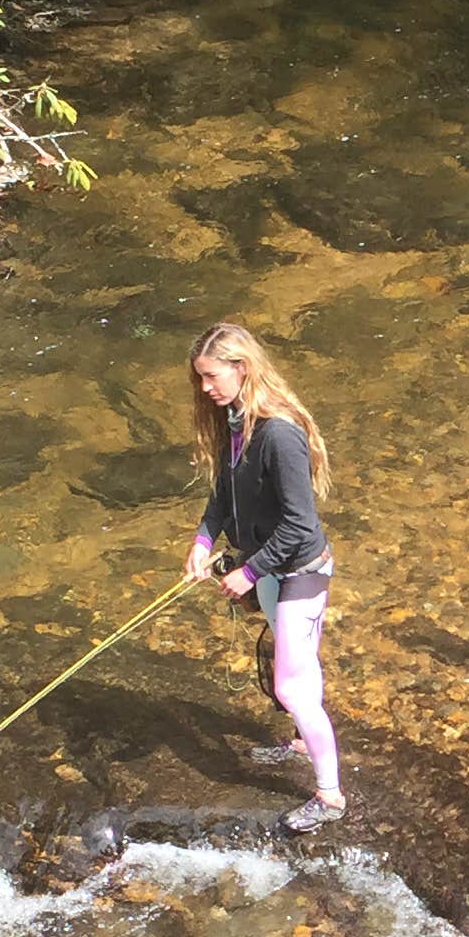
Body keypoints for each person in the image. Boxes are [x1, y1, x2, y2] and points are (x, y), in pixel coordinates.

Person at [184, 323, 345, 832]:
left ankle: (330, 796)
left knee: (293, 689)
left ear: (242, 368)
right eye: (201, 379)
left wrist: (249, 572)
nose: (205, 388)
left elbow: (301, 523)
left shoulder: (277, 433)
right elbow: (222, 497)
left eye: (211, 377)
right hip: (271, 569)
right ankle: (303, 741)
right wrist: (204, 542)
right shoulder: (235, 422)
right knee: (295, 667)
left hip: (299, 570)